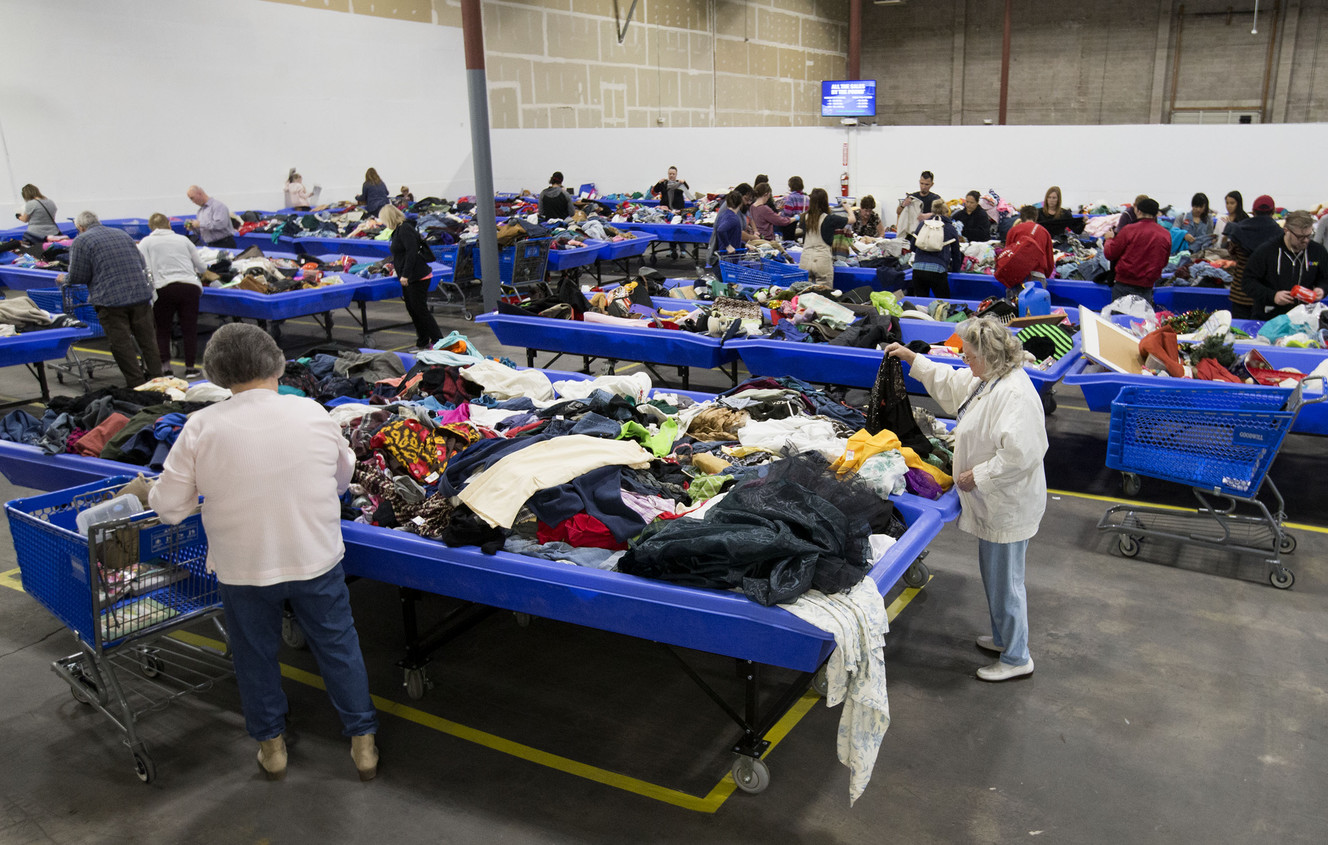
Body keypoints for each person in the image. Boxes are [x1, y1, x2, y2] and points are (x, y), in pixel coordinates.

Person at [147, 322, 379, 782]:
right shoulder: (312, 412)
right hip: (315, 556)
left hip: (243, 567)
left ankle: (271, 747)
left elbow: (169, 509)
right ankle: (363, 743)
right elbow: (340, 479)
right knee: (338, 646)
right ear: (276, 361)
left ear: (216, 372)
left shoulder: (201, 426)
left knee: (253, 654)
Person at [884, 317, 1046, 682]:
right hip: (995, 502)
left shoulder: (1014, 395)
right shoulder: (990, 379)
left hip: (1007, 503)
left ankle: (1018, 657)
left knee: (1007, 581)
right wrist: (913, 358)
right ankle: (1006, 639)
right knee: (996, 576)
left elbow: (1023, 454)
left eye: (970, 356)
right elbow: (955, 383)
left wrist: (979, 475)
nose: (966, 362)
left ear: (990, 356)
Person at [57, 211, 162, 387]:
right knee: (148, 342)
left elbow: (77, 276)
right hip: (140, 296)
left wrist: (63, 279)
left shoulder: (81, 241)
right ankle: (159, 380)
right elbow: (141, 262)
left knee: (122, 346)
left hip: (111, 301)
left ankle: (137, 385)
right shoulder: (122, 234)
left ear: (80, 227)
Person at [138, 213, 206, 379]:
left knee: (162, 329)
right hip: (189, 287)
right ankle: (190, 368)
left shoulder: (146, 242)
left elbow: (144, 268)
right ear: (169, 224)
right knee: (189, 328)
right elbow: (202, 267)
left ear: (150, 227)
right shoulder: (183, 240)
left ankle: (166, 368)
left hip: (163, 288)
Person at [1242, 210, 1328, 319]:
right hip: (1269, 317)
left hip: (1303, 317)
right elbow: (1247, 282)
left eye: (1309, 235)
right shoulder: (1266, 251)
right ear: (1286, 230)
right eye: (1300, 237)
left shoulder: (1317, 251)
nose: (1306, 240)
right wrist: (1273, 296)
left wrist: (1322, 289)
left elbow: (1325, 278)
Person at [381, 204, 442, 349]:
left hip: (417, 277)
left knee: (420, 310)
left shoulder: (405, 229)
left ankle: (439, 342)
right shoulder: (397, 231)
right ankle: (422, 342)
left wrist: (405, 274)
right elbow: (402, 253)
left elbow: (411, 252)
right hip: (409, 277)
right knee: (413, 310)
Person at [1225, 194, 1283, 319]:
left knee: (1239, 333)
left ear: (1253, 211)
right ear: (1273, 211)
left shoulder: (1239, 229)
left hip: (1240, 291)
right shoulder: (1279, 234)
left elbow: (1232, 253)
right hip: (1265, 293)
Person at [1103, 197, 1171, 303]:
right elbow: (1164, 262)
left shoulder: (1128, 230)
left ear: (1138, 211)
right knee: (1141, 319)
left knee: (1119, 319)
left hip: (1123, 286)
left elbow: (1110, 253)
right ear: (1156, 214)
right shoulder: (1165, 235)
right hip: (1147, 288)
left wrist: (1109, 239)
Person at [798, 187, 855, 285]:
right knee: (823, 296)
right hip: (822, 261)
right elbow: (852, 219)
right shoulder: (829, 219)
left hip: (805, 260)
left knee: (804, 294)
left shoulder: (803, 217)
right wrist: (849, 209)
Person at [909, 199, 959, 297]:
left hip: (918, 269)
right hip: (938, 270)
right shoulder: (950, 228)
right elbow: (956, 253)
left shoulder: (922, 224)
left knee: (921, 304)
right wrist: (955, 271)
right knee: (943, 303)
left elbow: (912, 246)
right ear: (946, 212)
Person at [999, 206, 1055, 288]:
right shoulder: (1044, 232)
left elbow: (1007, 255)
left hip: (1016, 275)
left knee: (1015, 300)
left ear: (1021, 217)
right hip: (1037, 274)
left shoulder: (1013, 231)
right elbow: (1050, 260)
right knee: (1036, 301)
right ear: (1036, 217)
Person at [12, 184, 60, 248]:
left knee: (33, 251)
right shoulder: (50, 202)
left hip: (35, 234)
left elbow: (25, 219)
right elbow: (52, 217)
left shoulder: (31, 203)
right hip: (53, 232)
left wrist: (18, 216)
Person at [711, 191, 745, 260]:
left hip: (724, 256)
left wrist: (744, 244)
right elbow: (721, 230)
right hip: (729, 258)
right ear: (740, 203)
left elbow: (732, 237)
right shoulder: (733, 218)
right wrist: (728, 246)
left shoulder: (723, 214)